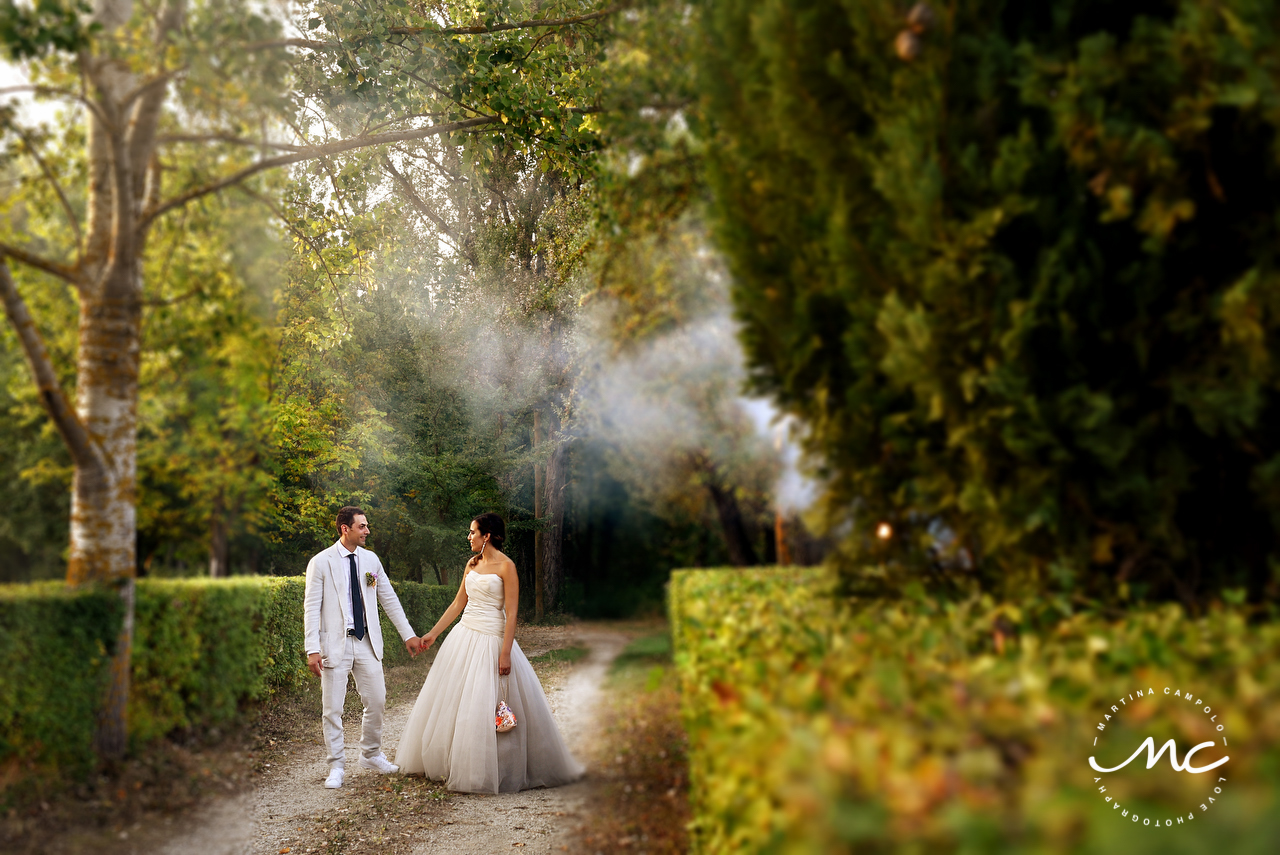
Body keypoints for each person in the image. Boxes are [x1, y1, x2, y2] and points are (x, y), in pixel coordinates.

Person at [394, 512, 583, 793]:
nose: (469, 537)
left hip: (493, 639)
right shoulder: (472, 564)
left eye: (473, 532)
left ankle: (497, 768)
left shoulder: (507, 567)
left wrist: (505, 653)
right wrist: (433, 634)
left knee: (488, 701)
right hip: (464, 635)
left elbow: (512, 612)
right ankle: (454, 762)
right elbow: (458, 603)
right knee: (457, 701)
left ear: (488, 535)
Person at [304, 506, 423, 789]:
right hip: (335, 644)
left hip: (367, 642)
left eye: (367, 526)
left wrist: (408, 635)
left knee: (378, 700)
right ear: (345, 529)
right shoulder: (321, 562)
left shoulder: (371, 560)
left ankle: (370, 754)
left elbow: (388, 598)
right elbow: (311, 608)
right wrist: (312, 648)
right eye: (362, 526)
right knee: (333, 708)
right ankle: (336, 766)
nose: (367, 531)